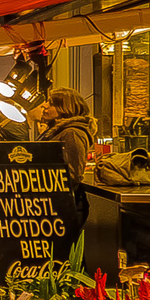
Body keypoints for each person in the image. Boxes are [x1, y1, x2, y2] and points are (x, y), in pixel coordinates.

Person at [39, 87, 97, 250]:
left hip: (65, 205)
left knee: (64, 254)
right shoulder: (57, 131)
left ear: (65, 108)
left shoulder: (72, 133)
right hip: (55, 203)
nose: (44, 106)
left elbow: (73, 174)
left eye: (50, 104)